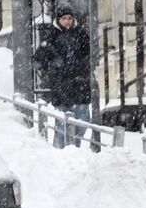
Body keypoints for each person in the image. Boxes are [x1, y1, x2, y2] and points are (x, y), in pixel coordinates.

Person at [35, 8, 98, 147]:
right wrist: (52, 66)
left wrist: (83, 68)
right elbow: (38, 59)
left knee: (83, 119)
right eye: (64, 19)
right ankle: (61, 151)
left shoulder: (81, 35)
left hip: (79, 84)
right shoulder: (52, 36)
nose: (67, 22)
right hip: (61, 85)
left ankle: (74, 145)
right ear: (58, 20)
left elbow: (90, 55)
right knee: (62, 122)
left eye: (70, 18)